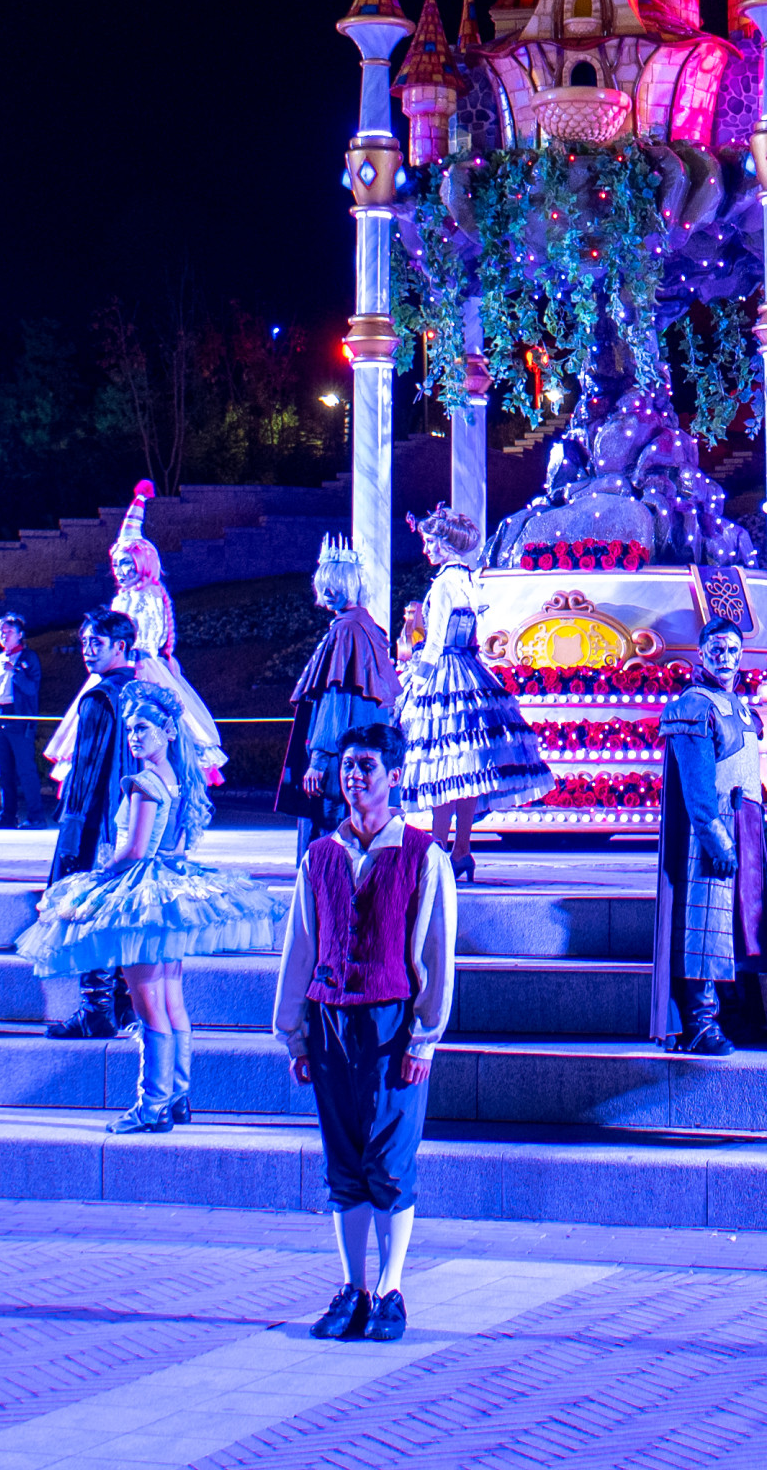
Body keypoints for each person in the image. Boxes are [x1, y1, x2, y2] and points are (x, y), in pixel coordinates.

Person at [13, 604, 284, 1132]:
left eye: (143, 730)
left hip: (141, 894)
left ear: (166, 733)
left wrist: (96, 878)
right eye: (131, 730)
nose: (134, 738)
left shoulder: (142, 784)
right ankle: (177, 1096)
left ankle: (152, 1104)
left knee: (148, 1003)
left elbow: (134, 851)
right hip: (166, 888)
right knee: (171, 999)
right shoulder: (177, 781)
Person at [274, 724, 454, 1343]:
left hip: (390, 1024)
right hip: (329, 1020)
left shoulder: (422, 854)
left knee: (390, 1158)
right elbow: (301, 945)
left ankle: (391, 1288)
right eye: (348, 765)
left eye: (367, 766)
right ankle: (352, 1287)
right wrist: (295, 1033)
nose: (354, 776)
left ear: (394, 776)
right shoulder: (320, 855)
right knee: (343, 1157)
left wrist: (424, 1036)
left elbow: (436, 950)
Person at [393, 499, 552, 881]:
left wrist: (415, 682)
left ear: (445, 545)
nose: (426, 549)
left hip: (446, 672)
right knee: (466, 769)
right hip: (469, 670)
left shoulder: (443, 584)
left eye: (430, 543)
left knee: (443, 765)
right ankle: (461, 850)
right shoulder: (469, 580)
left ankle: (437, 850)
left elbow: (434, 643)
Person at [651, 622, 767, 1053]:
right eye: (716, 649)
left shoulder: (738, 706)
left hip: (745, 827)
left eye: (733, 650)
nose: (725, 658)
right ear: (701, 653)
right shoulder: (694, 706)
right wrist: (715, 838)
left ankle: (733, 1015)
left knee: (735, 929)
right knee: (704, 928)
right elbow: (697, 787)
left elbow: (750, 777)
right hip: (712, 831)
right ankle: (700, 1021)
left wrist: (760, 838)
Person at [41, 611, 153, 1039]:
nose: (87, 651)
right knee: (123, 915)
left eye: (97, 643)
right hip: (137, 821)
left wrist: (73, 831)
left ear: (121, 646)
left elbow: (87, 775)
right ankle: (123, 1007)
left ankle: (96, 1009)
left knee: (90, 914)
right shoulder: (145, 692)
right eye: (85, 642)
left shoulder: (99, 698)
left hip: (100, 824)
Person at [106, 485, 228, 785]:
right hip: (119, 667)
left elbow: (147, 637)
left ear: (142, 563)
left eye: (125, 562)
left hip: (141, 666)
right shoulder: (121, 598)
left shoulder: (148, 596)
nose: (119, 570)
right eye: (116, 564)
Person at [280, 539, 394, 843]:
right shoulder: (366, 627)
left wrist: (318, 760)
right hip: (360, 757)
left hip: (337, 760)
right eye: (324, 585)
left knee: (329, 835)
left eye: (336, 584)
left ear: (353, 585)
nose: (328, 592)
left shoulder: (345, 630)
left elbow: (336, 701)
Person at [0, 613, 49, 829]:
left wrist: (16, 671)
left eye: (9, 631)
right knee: (4, 771)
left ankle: (36, 816)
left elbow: (32, 688)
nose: (4, 635)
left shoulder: (28, 658)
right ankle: (8, 815)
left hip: (18, 719)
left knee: (26, 769)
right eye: (1, 631)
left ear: (20, 634)